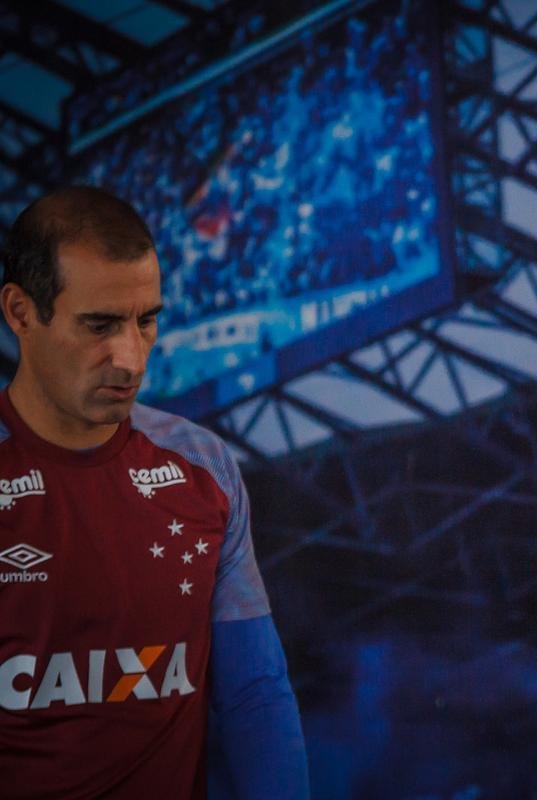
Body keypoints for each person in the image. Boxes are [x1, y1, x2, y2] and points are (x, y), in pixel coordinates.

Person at [0, 186, 309, 798]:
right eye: (99, 325)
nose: (131, 359)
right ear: (21, 312)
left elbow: (254, 693)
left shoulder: (203, 467)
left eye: (146, 321)